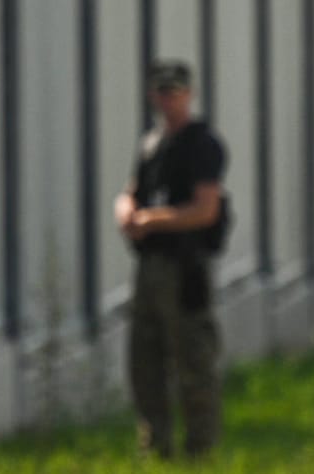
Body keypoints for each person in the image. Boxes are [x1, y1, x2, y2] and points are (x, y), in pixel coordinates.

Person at [114, 59, 227, 459]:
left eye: (176, 92)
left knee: (193, 363)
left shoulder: (201, 145)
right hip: (150, 266)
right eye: (162, 92)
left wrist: (152, 220)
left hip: (185, 266)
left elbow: (205, 209)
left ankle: (200, 451)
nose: (169, 99)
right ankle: (156, 448)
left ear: (189, 94)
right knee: (144, 362)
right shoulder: (152, 144)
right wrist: (125, 209)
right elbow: (132, 189)